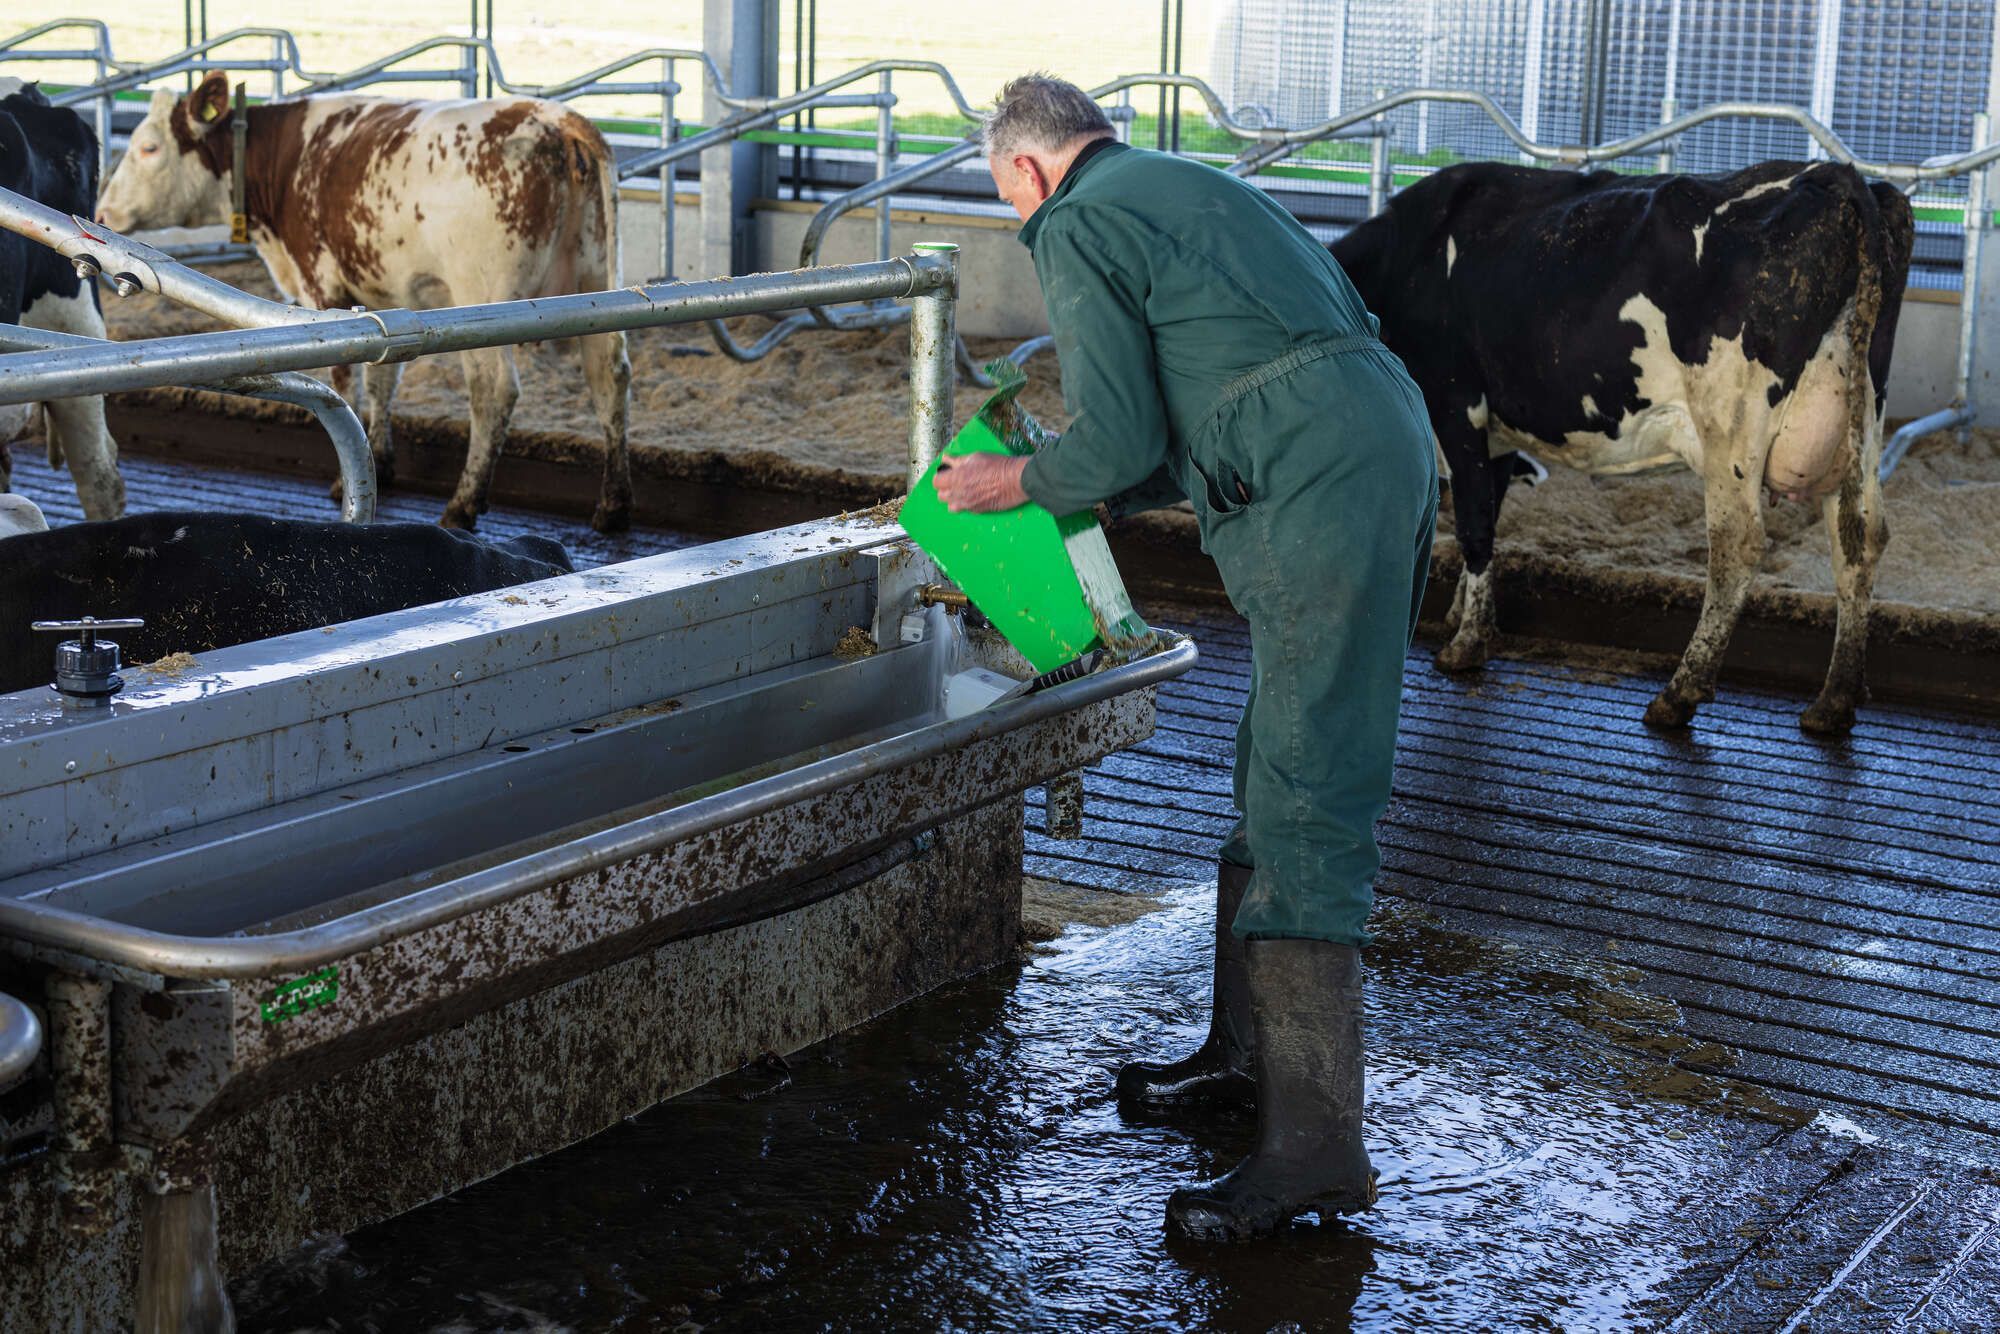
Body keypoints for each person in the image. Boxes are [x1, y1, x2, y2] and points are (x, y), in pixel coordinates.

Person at [933, 75, 1438, 1241]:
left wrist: (1016, 480)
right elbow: (1199, 410)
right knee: (1276, 756)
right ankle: (1243, 1059)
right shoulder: (1180, 186)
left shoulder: (1074, 219)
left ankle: (1314, 1149)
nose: (1018, 220)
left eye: (1007, 199)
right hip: (1360, 440)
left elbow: (1114, 435)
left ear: (1025, 169)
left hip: (1314, 476)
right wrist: (1091, 490)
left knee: (1308, 781)